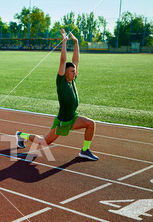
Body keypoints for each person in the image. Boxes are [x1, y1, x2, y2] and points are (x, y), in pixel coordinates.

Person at [16, 29, 98, 161]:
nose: (74, 73)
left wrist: (76, 43)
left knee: (91, 124)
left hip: (72, 119)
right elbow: (63, 60)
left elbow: (76, 61)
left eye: (75, 71)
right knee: (44, 142)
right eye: (72, 71)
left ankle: (85, 151)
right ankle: (21, 135)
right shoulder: (61, 82)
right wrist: (64, 42)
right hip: (62, 121)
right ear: (65, 72)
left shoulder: (72, 80)